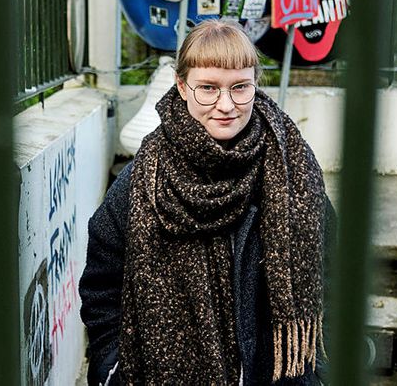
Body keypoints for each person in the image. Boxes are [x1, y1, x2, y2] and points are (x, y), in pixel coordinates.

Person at [79, 20, 335, 385]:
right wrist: (114, 368)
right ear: (182, 87)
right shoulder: (143, 180)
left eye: (240, 87)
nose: (226, 105)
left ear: (255, 84)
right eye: (208, 88)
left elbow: (332, 275)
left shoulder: (292, 171)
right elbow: (102, 286)